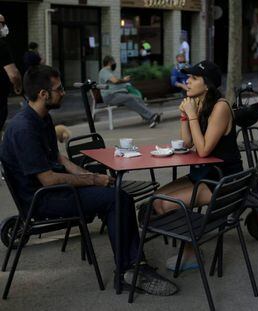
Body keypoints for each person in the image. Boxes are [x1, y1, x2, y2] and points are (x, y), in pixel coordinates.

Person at [0, 65, 177, 295]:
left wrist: (86, 175)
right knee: (117, 199)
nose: (63, 92)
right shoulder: (24, 128)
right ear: (43, 94)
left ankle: (133, 266)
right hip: (42, 200)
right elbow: (49, 180)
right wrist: (93, 180)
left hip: (54, 191)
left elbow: (58, 158)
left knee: (117, 195)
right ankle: (129, 270)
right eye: (59, 88)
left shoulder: (40, 118)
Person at [152, 60, 243, 272]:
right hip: (205, 174)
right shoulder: (200, 103)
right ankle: (191, 243)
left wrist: (192, 115)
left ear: (208, 84)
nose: (187, 81)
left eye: (193, 78)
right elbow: (187, 143)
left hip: (223, 181)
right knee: (157, 199)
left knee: (166, 205)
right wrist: (185, 115)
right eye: (188, 77)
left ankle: (192, 252)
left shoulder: (221, 107)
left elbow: (202, 151)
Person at [98, 55, 160, 128]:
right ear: (110, 62)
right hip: (110, 96)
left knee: (137, 98)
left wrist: (126, 83)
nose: (115, 63)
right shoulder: (104, 71)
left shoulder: (112, 72)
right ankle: (151, 117)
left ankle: (149, 118)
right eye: (114, 61)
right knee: (130, 98)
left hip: (119, 95)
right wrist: (124, 80)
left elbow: (117, 82)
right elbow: (115, 81)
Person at [0, 14, 22, 132]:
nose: (5, 26)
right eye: (2, 23)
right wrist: (18, 86)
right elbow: (13, 74)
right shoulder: (1, 45)